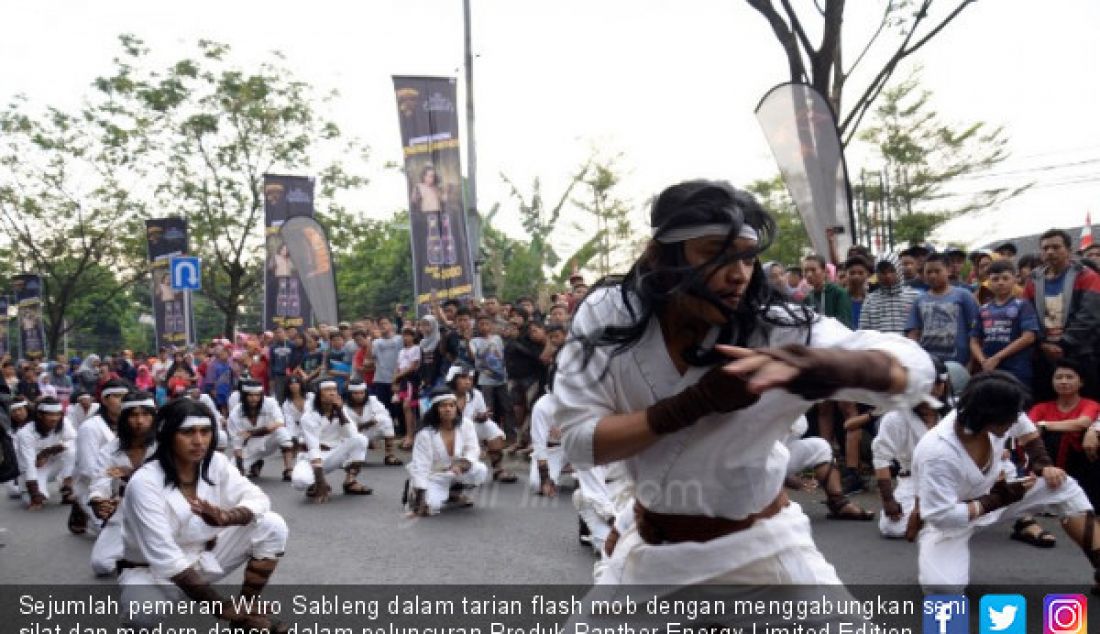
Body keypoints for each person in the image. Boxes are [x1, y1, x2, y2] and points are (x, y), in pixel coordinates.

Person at [555, 180, 932, 589]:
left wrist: (823, 365)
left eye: (748, 259)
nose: (739, 275)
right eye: (716, 255)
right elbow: (580, 443)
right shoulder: (609, 313)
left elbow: (914, 367)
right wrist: (695, 403)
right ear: (659, 256)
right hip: (652, 555)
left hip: (763, 549)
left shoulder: (777, 330)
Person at [911, 371, 1100, 594]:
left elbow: (1028, 432)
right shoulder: (938, 452)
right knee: (944, 590)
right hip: (952, 521)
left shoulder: (996, 413)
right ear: (989, 415)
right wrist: (999, 498)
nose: (1015, 419)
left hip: (1000, 495)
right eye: (1010, 417)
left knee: (1062, 485)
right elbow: (942, 516)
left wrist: (1043, 465)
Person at [115, 397, 288, 631]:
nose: (199, 441)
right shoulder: (144, 482)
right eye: (188, 432)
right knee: (143, 615)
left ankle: (247, 609)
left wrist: (228, 517)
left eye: (205, 431)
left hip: (203, 559)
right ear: (167, 436)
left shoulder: (215, 462)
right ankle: (242, 616)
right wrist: (220, 607)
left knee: (271, 525)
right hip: (150, 573)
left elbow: (259, 499)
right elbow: (165, 558)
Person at [872, 357, 954, 538]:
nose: (934, 390)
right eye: (928, 385)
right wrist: (888, 500)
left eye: (938, 384)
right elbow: (881, 457)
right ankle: (942, 520)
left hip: (952, 480)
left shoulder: (953, 414)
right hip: (913, 480)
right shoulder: (896, 417)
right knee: (892, 527)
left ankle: (941, 518)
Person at [1024, 228, 1100, 401]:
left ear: (1069, 250)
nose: (1050, 252)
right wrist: (1042, 343)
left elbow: (1090, 316)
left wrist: (1063, 343)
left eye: (1056, 247)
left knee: (1087, 404)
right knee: (1046, 402)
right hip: (1044, 355)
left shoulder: (1087, 276)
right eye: (1045, 248)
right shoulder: (1033, 280)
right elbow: (1028, 316)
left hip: (1080, 354)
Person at [87, 391, 157, 576]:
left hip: (163, 511)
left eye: (145, 414)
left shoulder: (164, 445)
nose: (140, 421)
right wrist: (98, 501)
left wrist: (132, 474)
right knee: (100, 564)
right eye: (133, 415)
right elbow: (100, 481)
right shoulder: (110, 450)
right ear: (124, 418)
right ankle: (133, 561)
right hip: (125, 511)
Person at [1028, 359, 1100, 513]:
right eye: (1059, 377)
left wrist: (1044, 425)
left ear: (1081, 382)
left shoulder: (1090, 404)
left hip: (1081, 460)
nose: (1064, 381)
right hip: (1047, 460)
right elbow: (1028, 429)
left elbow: (1083, 423)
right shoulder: (1041, 407)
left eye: (1069, 377)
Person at [406, 387, 489, 516]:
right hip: (434, 475)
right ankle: (414, 489)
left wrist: (462, 464)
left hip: (456, 470)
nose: (448, 409)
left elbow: (473, 449)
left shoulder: (466, 424)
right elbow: (421, 466)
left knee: (480, 470)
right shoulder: (424, 434)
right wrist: (420, 497)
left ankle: (453, 493)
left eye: (452, 405)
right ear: (435, 409)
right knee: (431, 507)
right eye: (443, 406)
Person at [291, 380, 372, 501]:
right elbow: (313, 448)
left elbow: (352, 435)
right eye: (327, 390)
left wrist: (339, 412)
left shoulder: (341, 410)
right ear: (318, 394)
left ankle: (350, 481)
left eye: (334, 390)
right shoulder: (309, 417)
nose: (332, 393)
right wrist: (320, 482)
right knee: (300, 481)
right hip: (311, 458)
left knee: (361, 439)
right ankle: (314, 484)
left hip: (335, 454)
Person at [69, 379, 128, 535]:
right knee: (113, 533)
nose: (122, 400)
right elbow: (88, 468)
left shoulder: (131, 424)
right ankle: (82, 508)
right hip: (93, 487)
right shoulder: (90, 427)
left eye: (125, 396)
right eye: (117, 396)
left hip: (124, 485)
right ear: (104, 400)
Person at [969, 259, 1040, 388]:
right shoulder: (983, 309)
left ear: (1014, 280)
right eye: (995, 279)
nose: (1000, 282)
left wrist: (997, 357)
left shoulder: (1023, 305)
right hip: (990, 370)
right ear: (988, 282)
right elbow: (974, 341)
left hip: (1017, 370)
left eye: (1005, 278)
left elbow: (1029, 337)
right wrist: (983, 361)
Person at [906, 252, 981, 366]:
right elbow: (913, 333)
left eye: (937, 271)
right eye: (929, 272)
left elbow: (975, 331)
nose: (932, 275)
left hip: (958, 362)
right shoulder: (919, 300)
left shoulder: (964, 295)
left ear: (948, 271)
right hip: (928, 363)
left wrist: (970, 363)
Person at [447, 365, 516, 482]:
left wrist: (482, 417)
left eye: (470, 379)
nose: (468, 382)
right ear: (453, 379)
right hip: (449, 434)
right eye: (463, 378)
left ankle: (498, 469)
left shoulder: (475, 394)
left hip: (469, 430)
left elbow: (481, 415)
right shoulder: (444, 396)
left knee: (490, 427)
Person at [15, 396, 76, 510]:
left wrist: (48, 451)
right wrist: (34, 492)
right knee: (33, 499)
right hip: (34, 468)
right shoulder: (25, 433)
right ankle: (32, 491)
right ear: (39, 415)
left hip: (54, 463)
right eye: (50, 414)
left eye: (57, 414)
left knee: (72, 451)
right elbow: (29, 464)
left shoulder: (63, 423)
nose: (55, 418)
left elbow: (74, 441)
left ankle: (66, 487)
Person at [227, 380, 293, 480]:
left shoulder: (270, 403)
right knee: (231, 472)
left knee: (282, 432)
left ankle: (288, 470)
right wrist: (240, 469)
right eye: (251, 396)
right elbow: (237, 446)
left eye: (258, 395)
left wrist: (252, 432)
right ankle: (256, 463)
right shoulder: (235, 414)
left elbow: (280, 422)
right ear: (244, 397)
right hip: (250, 446)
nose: (254, 399)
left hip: (269, 441)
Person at [342, 380, 402, 466]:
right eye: (355, 393)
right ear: (350, 394)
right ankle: (354, 456)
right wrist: (369, 423)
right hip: (353, 436)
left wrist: (367, 424)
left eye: (361, 393)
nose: (359, 396)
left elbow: (383, 414)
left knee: (386, 421)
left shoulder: (372, 400)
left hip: (368, 431)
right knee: (354, 462)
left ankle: (390, 456)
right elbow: (347, 428)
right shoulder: (344, 407)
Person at [858, 258, 920, 334]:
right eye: (882, 272)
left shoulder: (914, 296)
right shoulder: (870, 300)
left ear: (898, 271)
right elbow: (864, 330)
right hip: (879, 345)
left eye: (891, 271)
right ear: (877, 274)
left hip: (907, 344)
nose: (887, 276)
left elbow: (920, 327)